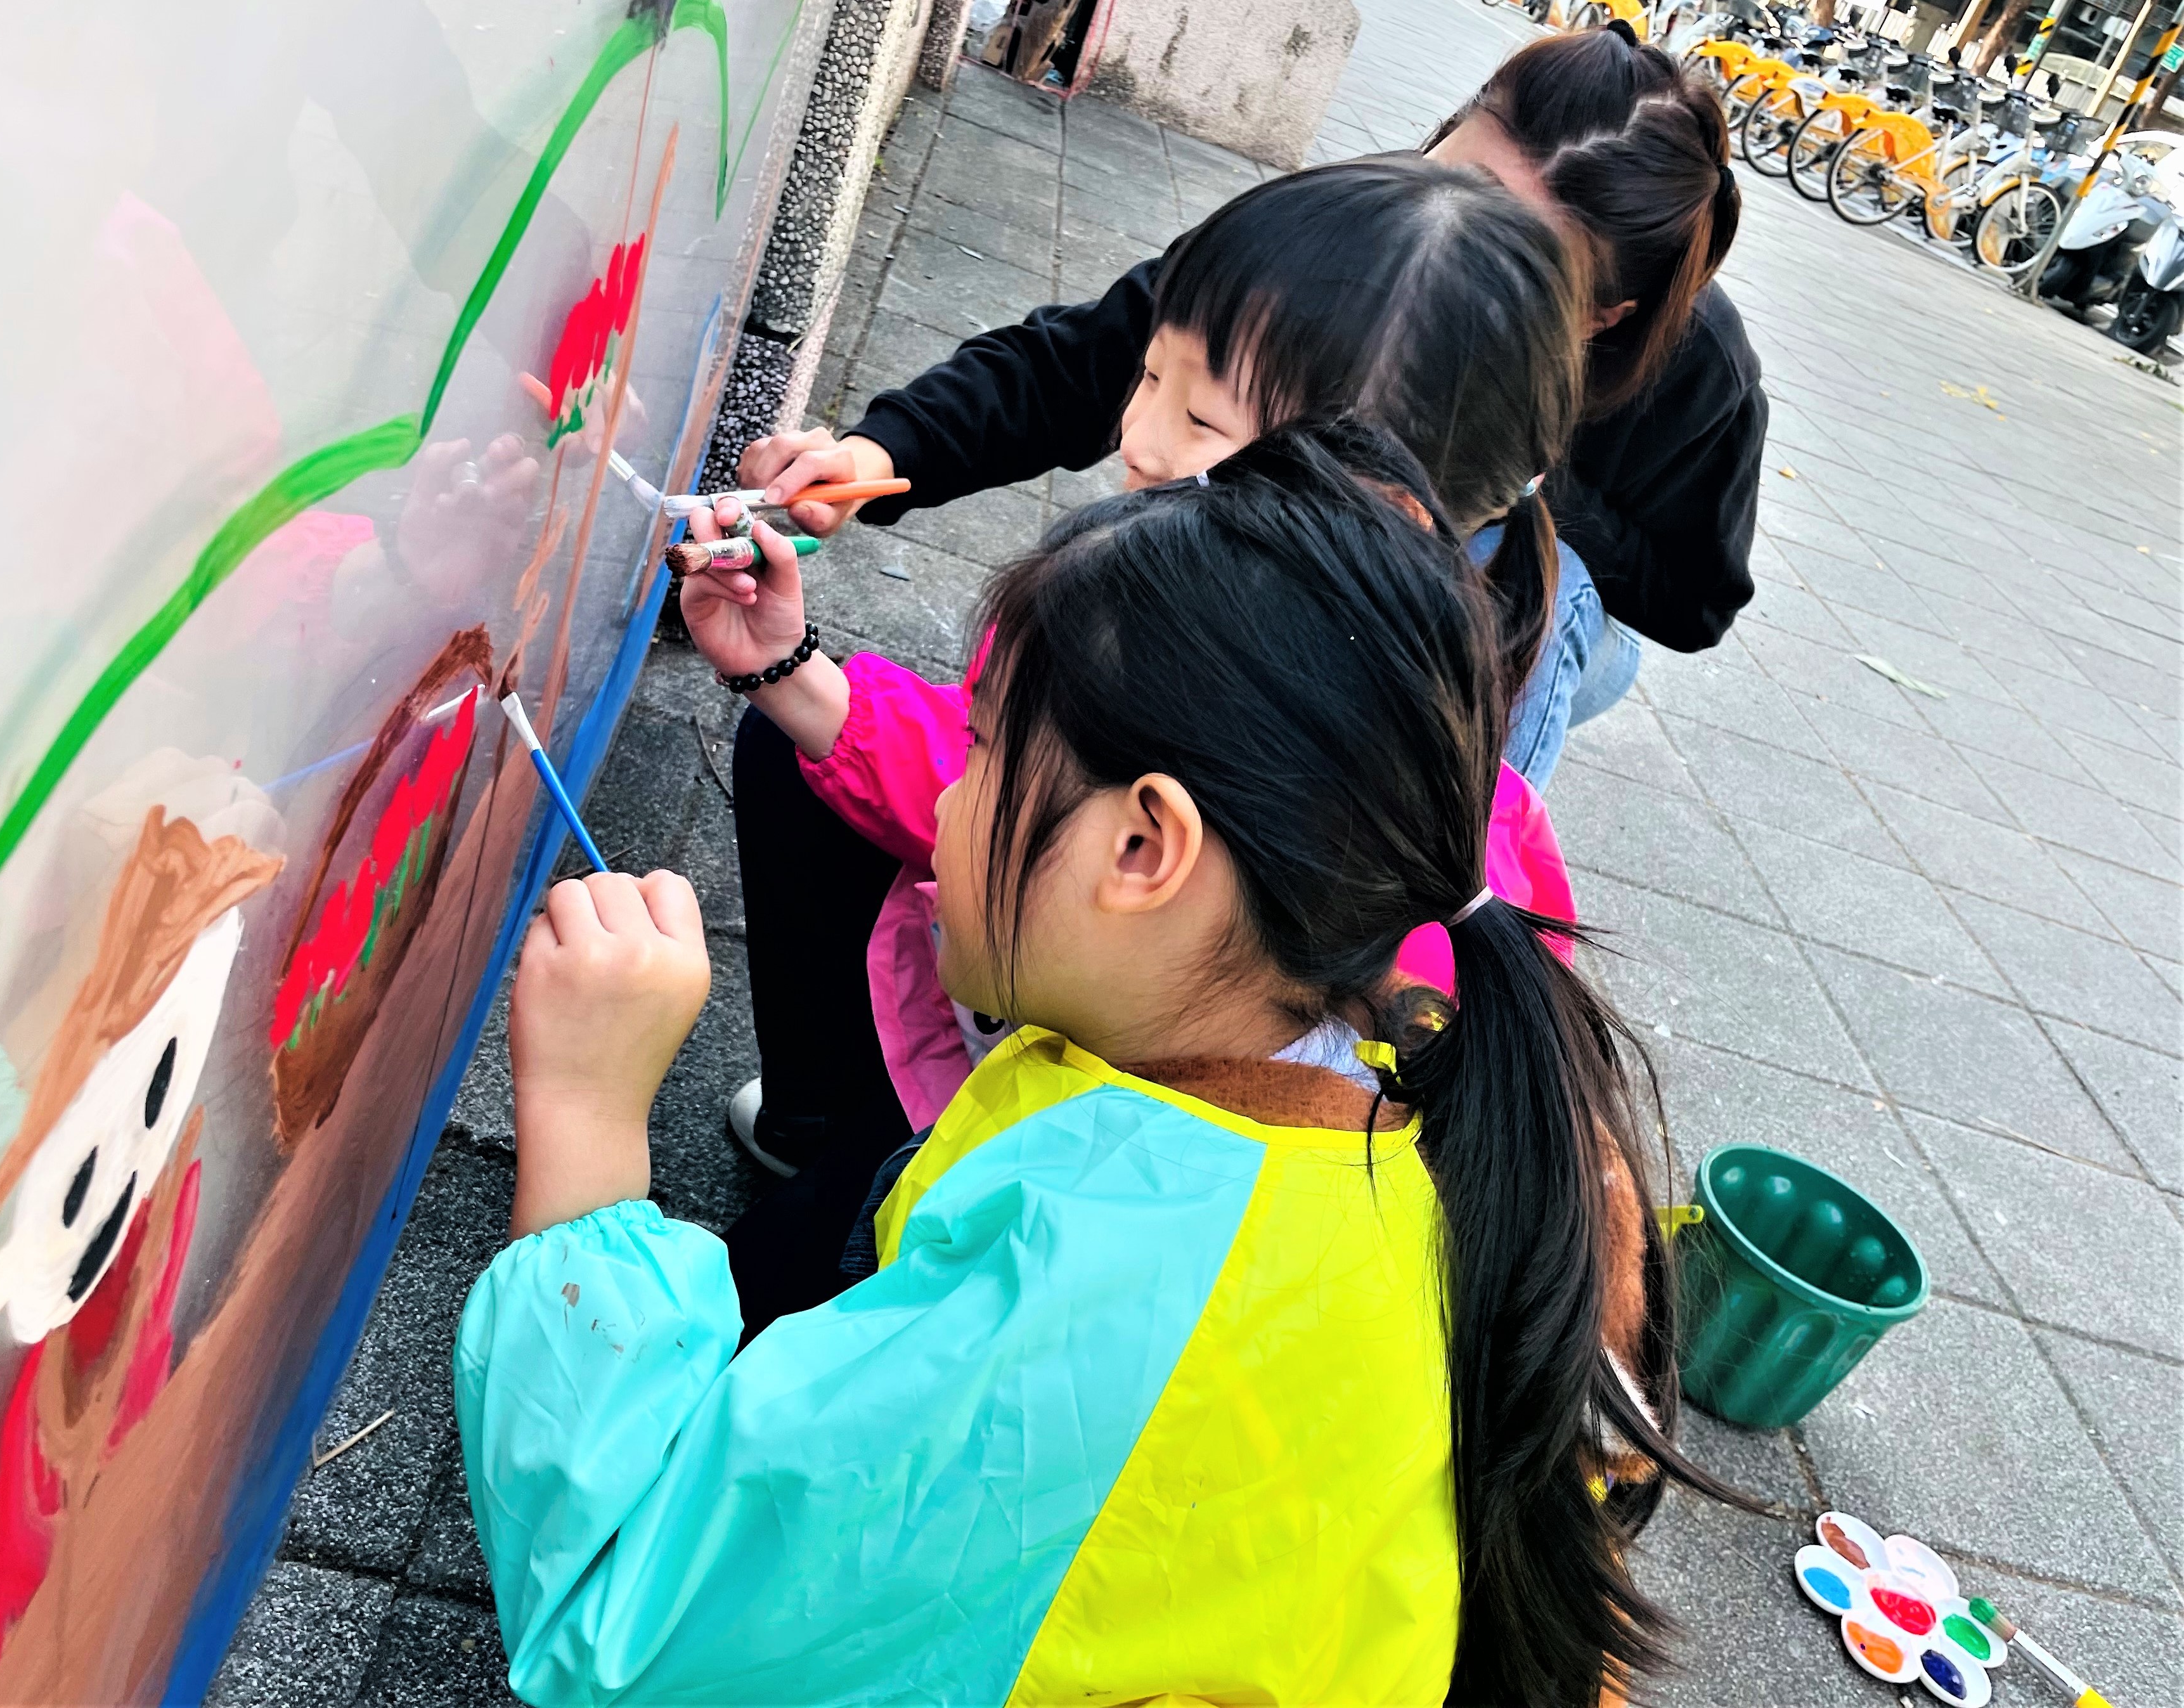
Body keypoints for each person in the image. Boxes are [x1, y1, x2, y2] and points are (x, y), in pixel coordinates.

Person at [458, 438, 1717, 1706]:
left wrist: (586, 1116)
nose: (951, 798)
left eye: (985, 747)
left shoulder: (1097, 1312)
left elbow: (622, 1613)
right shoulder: (1403, 1083)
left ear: (1143, 849)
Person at [693, 159, 1590, 1326]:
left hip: (1087, 1219)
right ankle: (835, 1163)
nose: (1141, 439)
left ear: (1385, 503)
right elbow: (988, 789)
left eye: (1203, 414)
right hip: (1047, 1094)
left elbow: (985, 802)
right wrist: (789, 671)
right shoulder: (1225, 624)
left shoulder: (1286, 776)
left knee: (780, 1291)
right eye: (1149, 376)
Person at [746, 23, 1761, 741]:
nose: (1438, 237)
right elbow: (1093, 355)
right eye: (1447, 182)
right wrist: (880, 453)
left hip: (1524, 594)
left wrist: (1512, 478)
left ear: (1604, 315)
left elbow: (1696, 598)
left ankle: (1450, 902)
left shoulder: (1698, 375)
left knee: (1524, 604)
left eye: (1512, 258)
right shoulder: (1365, 235)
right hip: (1338, 549)